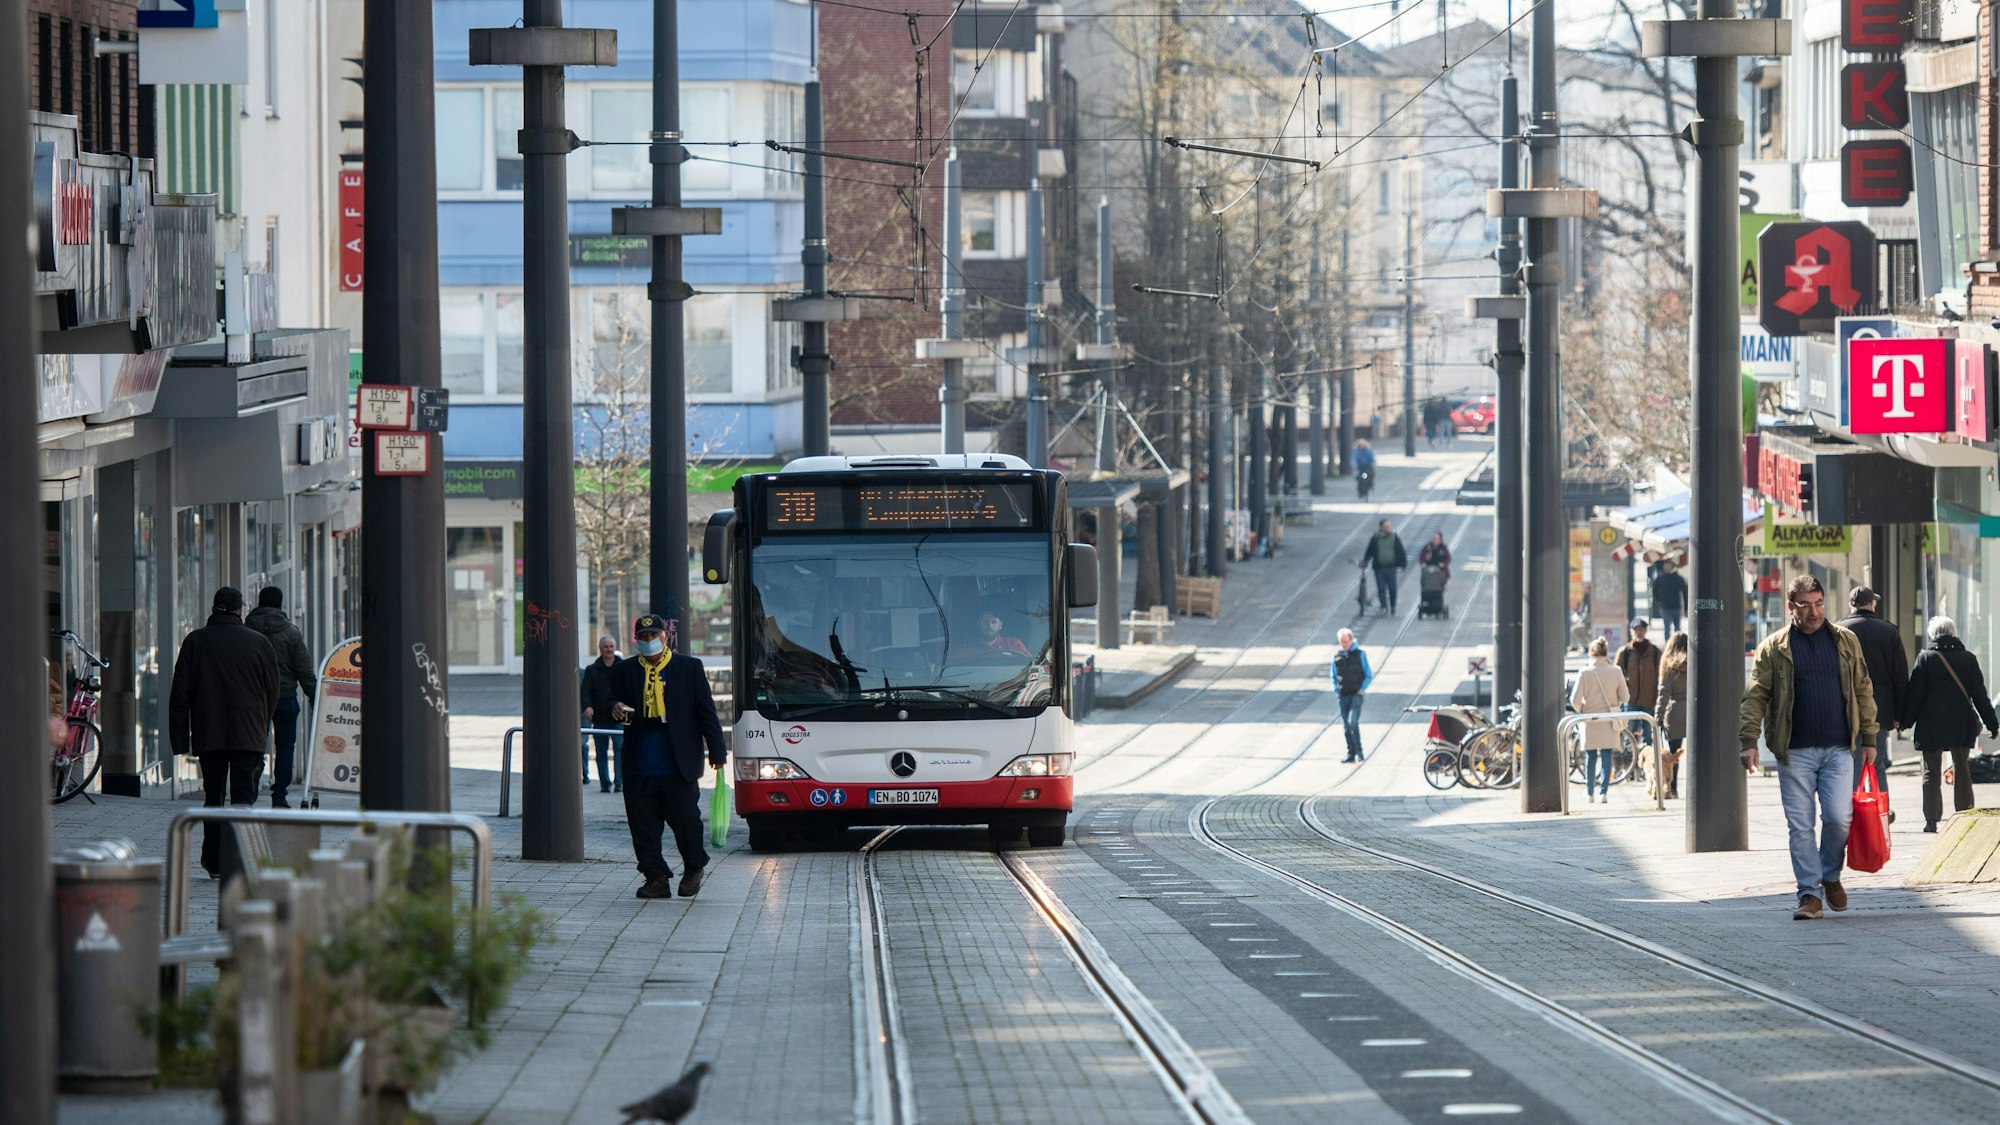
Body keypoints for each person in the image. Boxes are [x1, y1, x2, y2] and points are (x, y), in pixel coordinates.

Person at [1740, 575, 1879, 921]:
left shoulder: (1845, 641)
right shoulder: (1775, 647)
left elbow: (1863, 688)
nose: (1814, 611)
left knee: (1838, 817)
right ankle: (1808, 893)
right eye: (1806, 605)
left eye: (1818, 603)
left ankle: (1830, 875)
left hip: (1838, 747)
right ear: (1791, 608)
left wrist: (1870, 738)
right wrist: (1749, 741)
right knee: (1800, 825)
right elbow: (1756, 695)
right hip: (1795, 750)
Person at [609, 614, 728, 899]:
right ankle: (656, 877)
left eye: (654, 636)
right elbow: (607, 699)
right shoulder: (625, 670)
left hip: (678, 763)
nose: (649, 641)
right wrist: (614, 706)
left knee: (687, 822)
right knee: (643, 828)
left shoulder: (688, 668)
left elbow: (706, 712)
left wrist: (718, 751)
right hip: (640, 764)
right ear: (635, 639)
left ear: (665, 637)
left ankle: (694, 867)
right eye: (644, 637)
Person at [169, 586, 281, 879]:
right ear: (240, 610)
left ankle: (215, 860)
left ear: (214, 608)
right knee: (244, 798)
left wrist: (180, 739)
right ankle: (240, 857)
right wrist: (262, 724)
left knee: (214, 796)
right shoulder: (259, 643)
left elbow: (180, 693)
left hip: (210, 733)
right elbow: (273, 690)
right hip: (248, 733)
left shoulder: (195, 641)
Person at [1900, 616, 1998, 833]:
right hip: (1960, 722)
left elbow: (1915, 695)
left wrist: (1905, 722)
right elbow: (1980, 695)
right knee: (1962, 769)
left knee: (1931, 771)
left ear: (1933, 634)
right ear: (1953, 633)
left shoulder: (1925, 658)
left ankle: (1932, 819)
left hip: (1930, 723)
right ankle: (1965, 815)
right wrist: (1992, 723)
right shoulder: (1968, 659)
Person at [245, 586, 317, 808]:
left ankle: (250, 791)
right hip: (285, 697)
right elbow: (303, 669)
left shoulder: (247, 630)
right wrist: (315, 696)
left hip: (256, 698)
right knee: (285, 747)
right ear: (280, 605)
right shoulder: (291, 632)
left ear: (259, 603)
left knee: (255, 745)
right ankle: (279, 797)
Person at [1838, 586, 1908, 806]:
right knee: (1876, 763)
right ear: (1871, 604)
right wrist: (1899, 713)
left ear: (1851, 605)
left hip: (1846, 708)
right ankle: (1880, 811)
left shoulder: (1838, 630)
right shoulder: (1889, 631)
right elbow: (1900, 677)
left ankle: (1852, 813)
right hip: (1880, 709)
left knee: (1851, 762)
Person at [1570, 636, 1629, 804]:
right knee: (1606, 754)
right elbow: (1625, 696)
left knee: (1590, 756)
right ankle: (1603, 792)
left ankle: (1589, 792)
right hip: (1609, 718)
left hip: (1590, 718)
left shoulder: (1584, 672)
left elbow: (1574, 700)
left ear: (1591, 653)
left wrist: (1582, 709)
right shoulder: (1616, 671)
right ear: (1606, 652)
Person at [582, 634, 624, 794]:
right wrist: (587, 706)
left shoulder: (623, 667)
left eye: (611, 646)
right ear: (600, 648)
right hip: (599, 717)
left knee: (620, 751)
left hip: (619, 717)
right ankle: (605, 784)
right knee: (601, 753)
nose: (609, 649)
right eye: (606, 646)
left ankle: (619, 782)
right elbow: (585, 691)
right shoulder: (592, 670)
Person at [1654, 631, 1689, 799]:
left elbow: (1664, 693)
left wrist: (1658, 716)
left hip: (1674, 712)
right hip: (1692, 710)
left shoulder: (1668, 666)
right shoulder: (1694, 663)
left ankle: (1673, 787)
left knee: (1674, 753)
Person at [1332, 628, 1373, 763]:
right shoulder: (1337, 656)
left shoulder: (1360, 654)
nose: (1344, 644)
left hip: (1356, 695)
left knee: (1352, 722)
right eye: (1341, 642)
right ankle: (1351, 754)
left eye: (1346, 642)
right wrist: (1336, 691)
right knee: (1346, 726)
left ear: (1351, 640)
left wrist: (1362, 688)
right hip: (1343, 696)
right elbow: (1333, 676)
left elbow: (1368, 674)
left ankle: (1360, 753)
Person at [1360, 519, 1407, 616]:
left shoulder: (1394, 537)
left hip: (1391, 567)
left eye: (1389, 526)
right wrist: (1365, 561)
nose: (1388, 528)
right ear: (1381, 528)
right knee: (1381, 588)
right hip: (1379, 568)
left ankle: (1393, 606)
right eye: (1386, 526)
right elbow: (1370, 550)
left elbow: (1400, 550)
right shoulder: (1375, 538)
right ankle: (1384, 606)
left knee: (1392, 588)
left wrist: (1403, 564)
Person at [1650, 561, 1688, 637]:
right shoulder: (1662, 578)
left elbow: (1685, 593)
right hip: (1668, 606)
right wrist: (1659, 601)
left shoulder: (1677, 578)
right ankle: (1672, 645)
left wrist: (1686, 607)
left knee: (1673, 629)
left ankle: (1673, 645)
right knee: (1670, 628)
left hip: (1672, 606)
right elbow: (1654, 590)